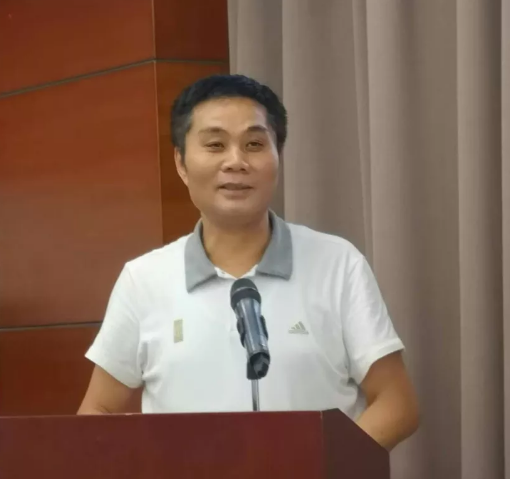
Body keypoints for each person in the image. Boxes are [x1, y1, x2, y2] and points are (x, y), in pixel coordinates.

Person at [78, 74, 419, 450]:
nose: (235, 161)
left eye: (254, 144)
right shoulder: (144, 279)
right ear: (181, 162)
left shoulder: (338, 264)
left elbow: (395, 403)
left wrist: (321, 467)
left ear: (278, 156)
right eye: (215, 145)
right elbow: (97, 410)